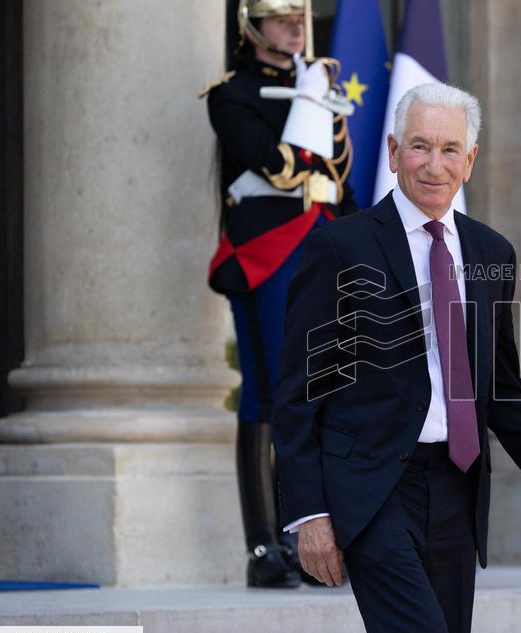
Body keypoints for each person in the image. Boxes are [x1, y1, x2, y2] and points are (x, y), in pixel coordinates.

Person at [272, 83, 521, 633]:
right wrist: (310, 514)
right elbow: (299, 393)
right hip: (371, 489)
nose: (435, 165)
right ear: (392, 150)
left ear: (471, 160)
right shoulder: (339, 246)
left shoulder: (491, 253)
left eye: (450, 149)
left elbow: (502, 397)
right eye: (420, 147)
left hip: (457, 488)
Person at [201, 0, 357, 588]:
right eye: (281, 18)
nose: (296, 27)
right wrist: (312, 104)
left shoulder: (315, 83)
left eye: (300, 18)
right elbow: (273, 164)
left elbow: (338, 174)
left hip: (324, 246)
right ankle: (264, 545)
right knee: (269, 392)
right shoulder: (233, 92)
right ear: (251, 25)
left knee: (329, 391)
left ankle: (314, 537)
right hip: (268, 252)